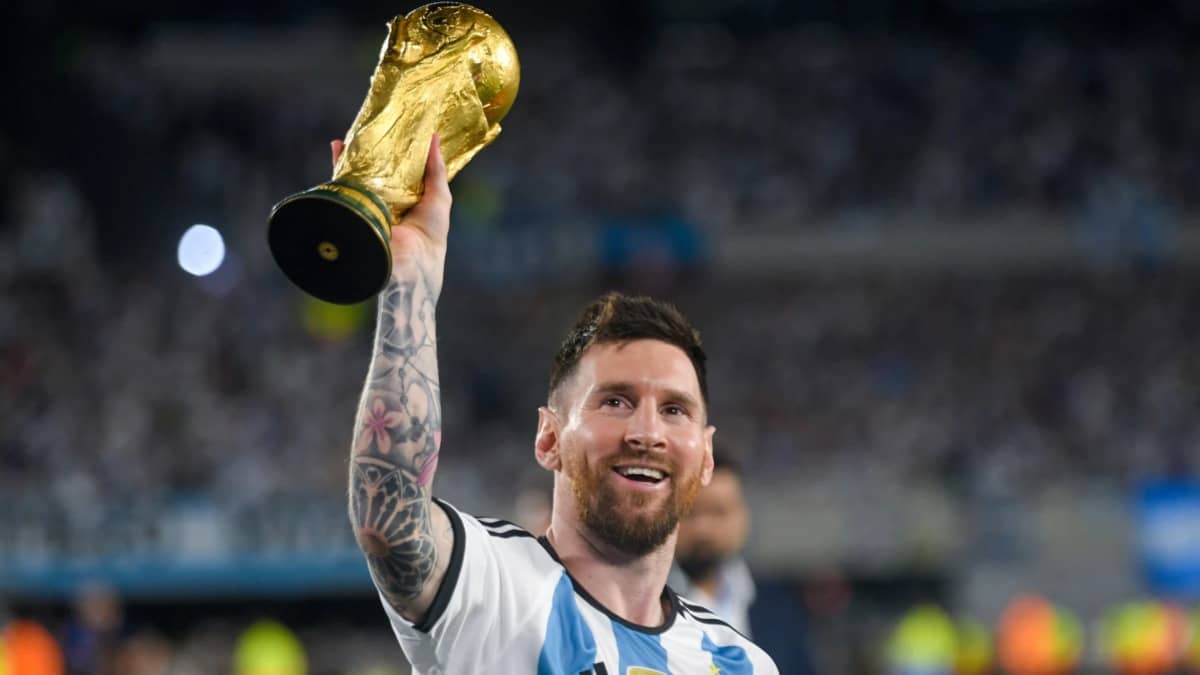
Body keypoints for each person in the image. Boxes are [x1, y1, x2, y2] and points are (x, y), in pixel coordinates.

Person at [341, 135, 778, 674]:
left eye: (674, 409)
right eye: (616, 401)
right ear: (548, 438)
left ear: (706, 457)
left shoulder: (741, 663)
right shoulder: (491, 583)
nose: (647, 431)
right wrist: (409, 276)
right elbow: (389, 516)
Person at [669, 448, 755, 636]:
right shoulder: (640, 606)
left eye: (719, 512)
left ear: (744, 515)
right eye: (688, 512)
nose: (703, 530)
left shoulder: (779, 608)